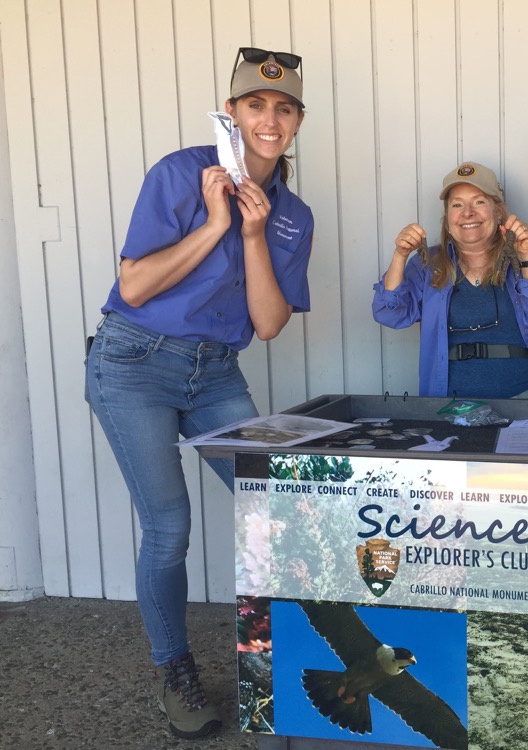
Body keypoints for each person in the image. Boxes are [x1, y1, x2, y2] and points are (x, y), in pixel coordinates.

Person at [84, 48, 312, 739]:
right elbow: (133, 287)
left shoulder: (292, 215)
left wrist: (249, 230)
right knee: (169, 526)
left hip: (215, 372)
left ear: (297, 122)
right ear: (233, 112)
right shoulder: (183, 173)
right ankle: (175, 671)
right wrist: (214, 222)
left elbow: (269, 324)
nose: (268, 120)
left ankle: (285, 660)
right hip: (134, 363)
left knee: (276, 507)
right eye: (254, 106)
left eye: (283, 108)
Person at [373, 162, 528, 398]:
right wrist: (400, 256)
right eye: (457, 204)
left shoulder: (522, 257)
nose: (468, 213)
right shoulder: (428, 264)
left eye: (479, 201)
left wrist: (526, 256)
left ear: (498, 211)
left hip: (521, 396)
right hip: (447, 402)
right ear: (447, 216)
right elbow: (389, 313)